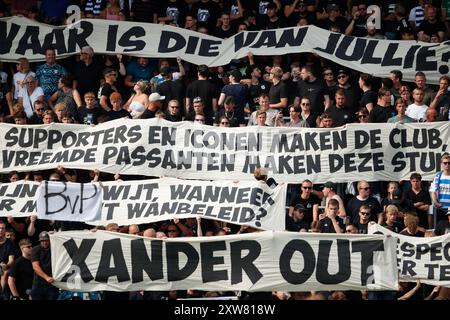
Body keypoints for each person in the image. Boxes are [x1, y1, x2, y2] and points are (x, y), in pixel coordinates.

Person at [30, 231, 59, 300]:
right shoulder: (35, 249)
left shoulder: (55, 248)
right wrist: (46, 277)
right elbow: (35, 266)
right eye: (42, 241)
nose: (45, 242)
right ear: (40, 241)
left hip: (53, 284)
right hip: (38, 283)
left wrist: (56, 234)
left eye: (46, 240)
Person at [430, 154, 450, 226]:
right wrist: (435, 202)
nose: (447, 164)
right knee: (439, 230)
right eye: (445, 163)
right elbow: (433, 192)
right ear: (442, 164)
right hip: (440, 208)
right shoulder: (438, 176)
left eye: (449, 163)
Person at [0, 220, 15, 298]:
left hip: (4, 267)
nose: (0, 230)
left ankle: (1, 292)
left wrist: (6, 265)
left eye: (2, 228)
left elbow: (11, 259)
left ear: (5, 230)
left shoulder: (10, 243)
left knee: (5, 271)